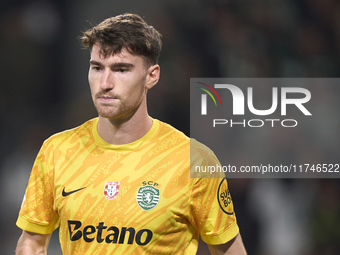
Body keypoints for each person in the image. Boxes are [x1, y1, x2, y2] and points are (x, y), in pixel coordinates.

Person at [15, 13, 247, 255]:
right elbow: (32, 240)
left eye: (121, 69)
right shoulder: (57, 150)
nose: (105, 82)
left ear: (151, 76)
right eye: (97, 68)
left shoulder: (193, 160)